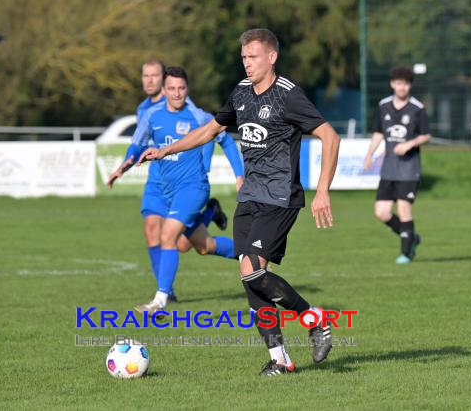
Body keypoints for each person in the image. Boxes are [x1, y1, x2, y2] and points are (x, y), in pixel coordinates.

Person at [138, 29, 341, 376]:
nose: (247, 63)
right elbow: (210, 130)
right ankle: (280, 359)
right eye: (244, 57)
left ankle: (316, 320)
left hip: (280, 197)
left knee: (252, 269)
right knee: (250, 276)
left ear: (272, 57)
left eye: (253, 57)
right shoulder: (241, 93)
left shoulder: (288, 96)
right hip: (249, 196)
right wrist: (167, 149)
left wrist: (323, 190)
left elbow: (329, 136)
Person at [111, 66, 243, 316]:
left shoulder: (200, 116)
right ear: (164, 90)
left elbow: (226, 141)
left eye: (181, 88)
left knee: (168, 236)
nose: (176, 93)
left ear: (187, 89)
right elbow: (136, 145)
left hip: (193, 188)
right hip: (168, 191)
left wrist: (239, 175)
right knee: (204, 246)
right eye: (171, 88)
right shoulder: (151, 116)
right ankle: (251, 253)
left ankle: (160, 300)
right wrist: (122, 168)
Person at [364, 66, 431, 264]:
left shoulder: (417, 108)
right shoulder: (383, 105)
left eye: (406, 84)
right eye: (399, 83)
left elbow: (426, 135)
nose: (402, 87)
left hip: (409, 169)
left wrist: (409, 144)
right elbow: (378, 132)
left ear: (410, 86)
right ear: (393, 84)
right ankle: (412, 238)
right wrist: (369, 154)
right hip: (389, 169)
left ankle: (406, 253)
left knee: (403, 209)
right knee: (381, 212)